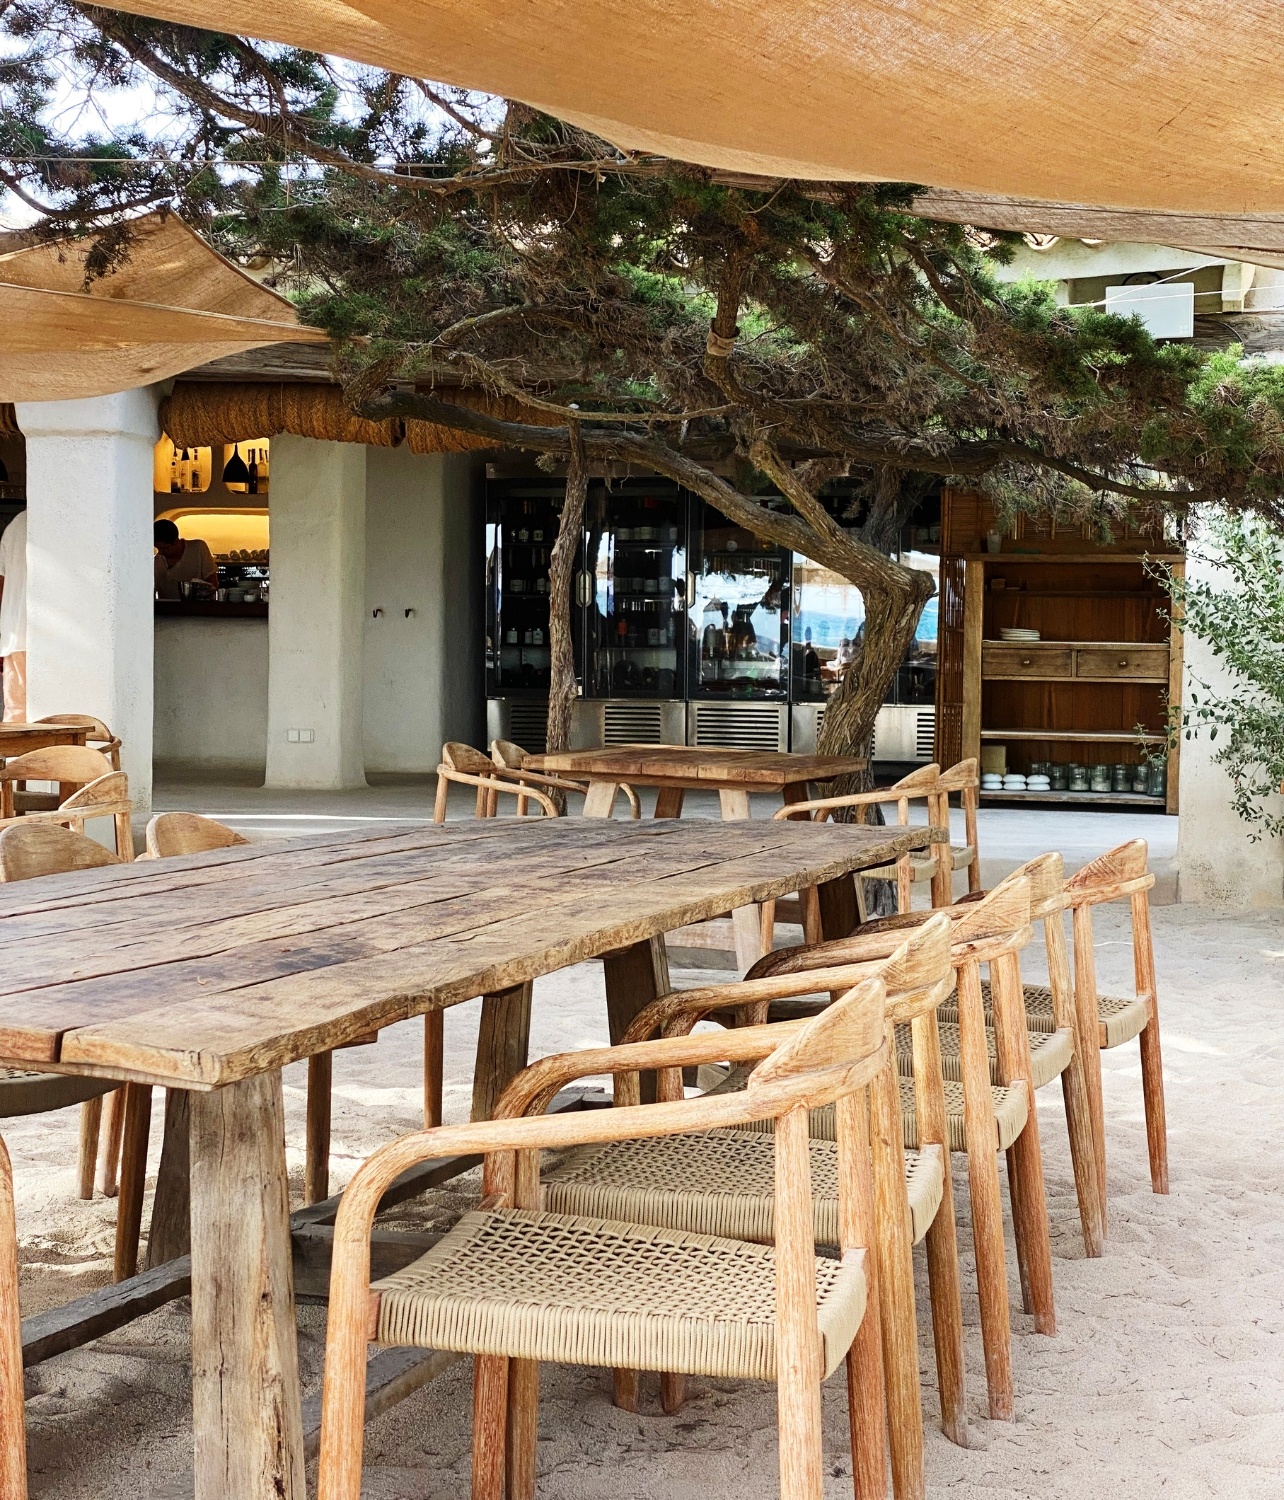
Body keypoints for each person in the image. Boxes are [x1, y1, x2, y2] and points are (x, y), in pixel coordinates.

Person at [0, 509, 26, 722]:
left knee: (16, 712)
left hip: (15, 634)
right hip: (53, 641)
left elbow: (1, 583)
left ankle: (17, 757)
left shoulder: (16, 525)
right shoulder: (65, 518)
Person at [154, 519, 217, 600]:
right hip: (168, 611)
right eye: (158, 548)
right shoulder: (157, 561)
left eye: (165, 548)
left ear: (176, 541)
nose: (161, 552)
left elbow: (213, 583)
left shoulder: (198, 549)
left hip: (198, 609)